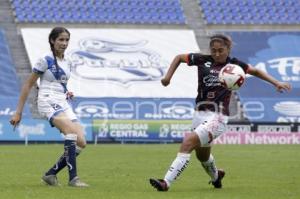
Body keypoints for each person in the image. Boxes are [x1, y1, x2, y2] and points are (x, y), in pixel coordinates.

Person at [149, 34, 291, 191]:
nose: (217, 54)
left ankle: (165, 182)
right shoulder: (202, 60)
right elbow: (179, 58)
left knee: (188, 143)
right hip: (199, 114)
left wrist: (276, 82)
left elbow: (256, 71)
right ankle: (217, 177)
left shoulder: (235, 66)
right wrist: (167, 78)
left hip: (218, 118)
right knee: (202, 156)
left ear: (228, 49)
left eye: (221, 50)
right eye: (214, 50)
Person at [10, 27, 89, 187]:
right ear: (52, 41)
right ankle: (73, 179)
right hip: (47, 100)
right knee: (71, 132)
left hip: (63, 101)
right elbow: (28, 84)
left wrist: (67, 92)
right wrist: (18, 112)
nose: (64, 43)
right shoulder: (45, 60)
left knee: (81, 142)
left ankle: (50, 174)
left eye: (66, 40)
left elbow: (61, 84)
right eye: (61, 39)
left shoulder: (68, 63)